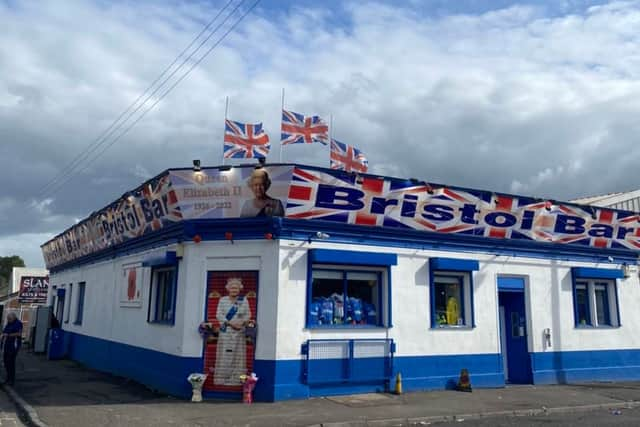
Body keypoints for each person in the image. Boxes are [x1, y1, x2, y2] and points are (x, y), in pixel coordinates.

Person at [213, 278, 252, 386]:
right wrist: (230, 323)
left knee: (238, 356)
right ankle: (222, 379)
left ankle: (236, 379)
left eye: (236, 288)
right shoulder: (223, 300)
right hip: (226, 331)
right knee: (225, 355)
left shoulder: (243, 300)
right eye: (232, 287)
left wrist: (241, 323)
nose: (234, 290)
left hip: (239, 331)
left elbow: (248, 314)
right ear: (228, 289)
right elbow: (218, 315)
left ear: (240, 289)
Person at [1, 312, 23, 385]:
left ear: (13, 318)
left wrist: (8, 335)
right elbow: (5, 331)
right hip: (7, 345)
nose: (8, 320)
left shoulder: (18, 323)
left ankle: (11, 379)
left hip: (13, 346)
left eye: (9, 319)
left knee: (10, 362)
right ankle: (8, 378)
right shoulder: (9, 323)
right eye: (8, 319)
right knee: (6, 362)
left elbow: (19, 334)